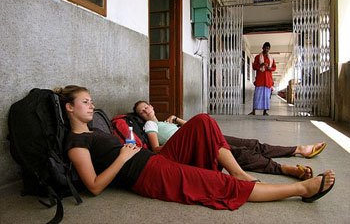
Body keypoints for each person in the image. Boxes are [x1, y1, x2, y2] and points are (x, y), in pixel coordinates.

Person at [57, 85, 335, 212]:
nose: (92, 105)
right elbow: (93, 186)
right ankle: (302, 190)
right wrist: (122, 156)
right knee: (216, 183)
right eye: (85, 102)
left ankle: (238, 172)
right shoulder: (76, 142)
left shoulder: (95, 130)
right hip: (147, 174)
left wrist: (132, 146)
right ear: (69, 108)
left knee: (203, 120)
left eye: (91, 100)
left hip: (154, 157)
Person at [133, 101, 327, 181]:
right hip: (194, 145)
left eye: (147, 106)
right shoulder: (151, 126)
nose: (147, 110)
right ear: (142, 117)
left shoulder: (166, 121)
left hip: (200, 135)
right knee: (240, 153)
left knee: (251, 144)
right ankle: (284, 169)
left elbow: (191, 125)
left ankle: (298, 149)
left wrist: (176, 120)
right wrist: (182, 140)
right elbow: (157, 149)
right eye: (142, 111)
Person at [249, 42, 276, 116]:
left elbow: (274, 67)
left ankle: (265, 112)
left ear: (269, 49)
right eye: (265, 48)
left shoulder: (271, 58)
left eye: (268, 48)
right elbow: (254, 67)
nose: (266, 49)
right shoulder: (258, 57)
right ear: (262, 48)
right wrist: (260, 65)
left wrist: (270, 68)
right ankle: (253, 111)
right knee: (257, 96)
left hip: (268, 81)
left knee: (266, 97)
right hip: (260, 80)